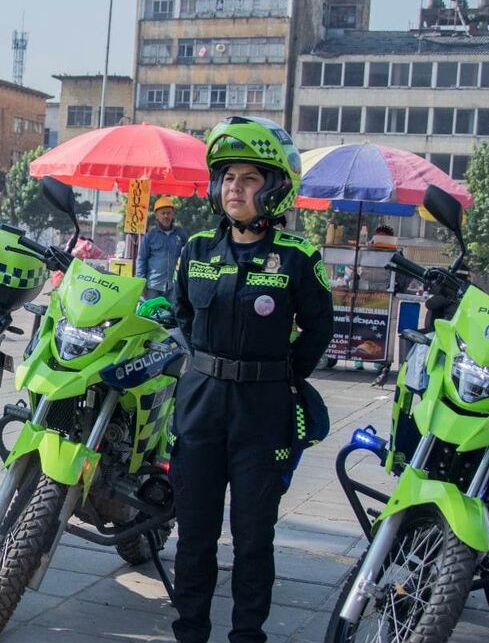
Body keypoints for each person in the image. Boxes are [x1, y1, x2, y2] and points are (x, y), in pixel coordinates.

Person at [170, 116, 333, 643]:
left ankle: (247, 635)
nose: (235, 188)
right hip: (199, 403)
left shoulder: (299, 259)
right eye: (228, 177)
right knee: (193, 532)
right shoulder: (194, 250)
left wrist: (276, 375)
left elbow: (317, 331)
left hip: (263, 411)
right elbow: (183, 319)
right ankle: (190, 630)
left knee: (253, 535)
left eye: (250, 178)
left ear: (277, 188)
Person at [136, 197, 187, 302]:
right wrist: (141, 283)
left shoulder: (181, 235)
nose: (166, 216)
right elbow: (141, 259)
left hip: (174, 287)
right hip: (153, 287)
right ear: (156, 216)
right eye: (162, 213)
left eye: (169, 213)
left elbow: (188, 258)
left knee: (172, 316)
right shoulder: (149, 237)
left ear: (173, 214)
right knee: (151, 317)